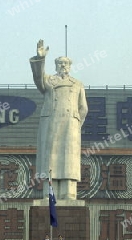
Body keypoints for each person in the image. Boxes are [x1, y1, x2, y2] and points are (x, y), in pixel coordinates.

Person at [30, 40, 88, 201]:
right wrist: (40, 58)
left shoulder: (77, 84)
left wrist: (76, 124)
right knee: (51, 158)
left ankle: (68, 192)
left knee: (68, 158)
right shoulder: (49, 81)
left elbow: (83, 107)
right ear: (55, 65)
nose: (63, 65)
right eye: (60, 63)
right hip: (52, 123)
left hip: (70, 125)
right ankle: (50, 192)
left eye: (66, 63)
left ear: (70, 66)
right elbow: (37, 77)